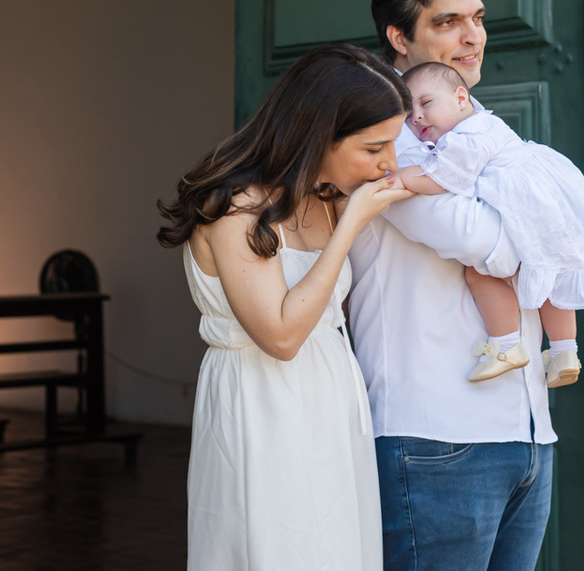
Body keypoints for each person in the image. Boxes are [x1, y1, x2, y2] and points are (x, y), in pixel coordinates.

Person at [157, 42, 414, 571]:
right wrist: (349, 227)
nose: (390, 163)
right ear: (320, 135)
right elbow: (280, 335)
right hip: (261, 404)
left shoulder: (324, 193)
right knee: (275, 548)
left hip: (331, 402)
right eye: (374, 148)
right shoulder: (234, 205)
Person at [347, 0, 555, 570]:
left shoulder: (479, 124)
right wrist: (548, 234)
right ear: (398, 36)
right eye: (447, 22)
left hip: (526, 435)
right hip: (432, 436)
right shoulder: (386, 136)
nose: (473, 38)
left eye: (479, 18)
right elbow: (487, 242)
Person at [391, 61, 584, 384]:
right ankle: (565, 351)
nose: (416, 117)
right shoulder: (483, 126)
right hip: (546, 201)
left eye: (426, 104)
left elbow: (441, 178)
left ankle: (506, 344)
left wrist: (399, 178)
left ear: (461, 98)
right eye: (409, 113)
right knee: (551, 272)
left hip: (527, 202)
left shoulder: (469, 135)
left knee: (481, 272)